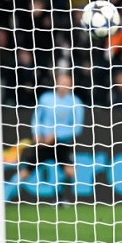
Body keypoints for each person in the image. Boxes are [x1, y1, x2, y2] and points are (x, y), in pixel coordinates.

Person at [18, 70, 85, 204]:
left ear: (71, 85)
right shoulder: (46, 99)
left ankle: (61, 196)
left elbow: (77, 128)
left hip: (62, 143)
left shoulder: (76, 103)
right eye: (61, 82)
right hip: (43, 142)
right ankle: (5, 195)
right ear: (56, 83)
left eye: (67, 83)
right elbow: (37, 118)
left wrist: (56, 135)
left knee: (70, 173)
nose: (63, 86)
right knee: (25, 171)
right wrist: (36, 134)